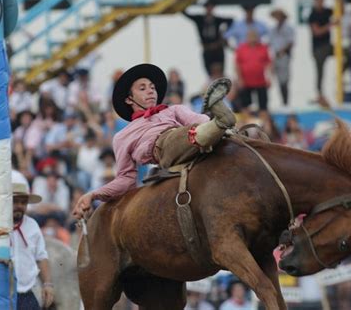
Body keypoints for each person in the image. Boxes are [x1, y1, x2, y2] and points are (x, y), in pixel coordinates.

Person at [73, 63, 236, 218]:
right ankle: (221, 123)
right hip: (166, 150)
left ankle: (221, 128)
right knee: (176, 137)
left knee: (209, 130)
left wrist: (206, 123)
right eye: (142, 88)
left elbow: (199, 119)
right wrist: (94, 194)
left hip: (193, 139)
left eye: (152, 87)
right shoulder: (122, 136)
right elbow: (126, 179)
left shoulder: (173, 110)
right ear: (129, 99)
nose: (151, 91)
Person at [183, 0, 233, 76]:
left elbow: (230, 20)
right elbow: (186, 14)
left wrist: (223, 32)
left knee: (220, 72)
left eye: (211, 7)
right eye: (208, 7)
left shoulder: (217, 19)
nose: (209, 9)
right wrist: (184, 2)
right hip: (207, 49)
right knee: (210, 74)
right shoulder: (200, 19)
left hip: (217, 49)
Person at [308, 0, 335, 105]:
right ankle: (320, 93)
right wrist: (329, 25)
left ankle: (341, 72)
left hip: (328, 45)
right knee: (320, 72)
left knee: (347, 53)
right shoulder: (312, 15)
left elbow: (340, 12)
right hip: (318, 48)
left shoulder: (327, 11)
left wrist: (340, 0)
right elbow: (317, 32)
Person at [269, 8, 294, 106]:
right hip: (276, 55)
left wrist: (282, 51)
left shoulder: (288, 28)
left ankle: (286, 102)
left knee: (284, 80)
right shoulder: (274, 29)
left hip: (284, 55)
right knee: (278, 80)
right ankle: (282, 102)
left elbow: (290, 42)